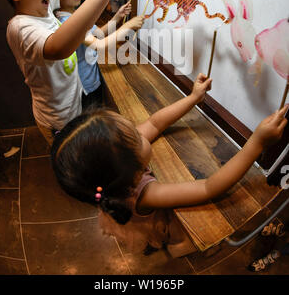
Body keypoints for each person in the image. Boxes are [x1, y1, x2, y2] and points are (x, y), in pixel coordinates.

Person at [51, 73, 288, 257]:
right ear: (133, 172)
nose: (141, 130)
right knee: (174, 232)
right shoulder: (146, 194)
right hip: (145, 217)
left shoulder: (113, 170)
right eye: (135, 135)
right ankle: (175, 245)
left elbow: (155, 123)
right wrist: (257, 142)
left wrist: (194, 98)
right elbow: (209, 187)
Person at [1, 0, 127, 145]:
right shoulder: (20, 27)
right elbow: (58, 48)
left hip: (73, 107)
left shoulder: (46, 8)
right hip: (57, 120)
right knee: (73, 166)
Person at [53, 0, 144, 109]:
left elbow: (97, 33)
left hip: (91, 79)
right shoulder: (65, 22)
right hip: (84, 86)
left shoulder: (76, 15)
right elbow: (99, 45)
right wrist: (127, 27)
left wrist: (117, 17)